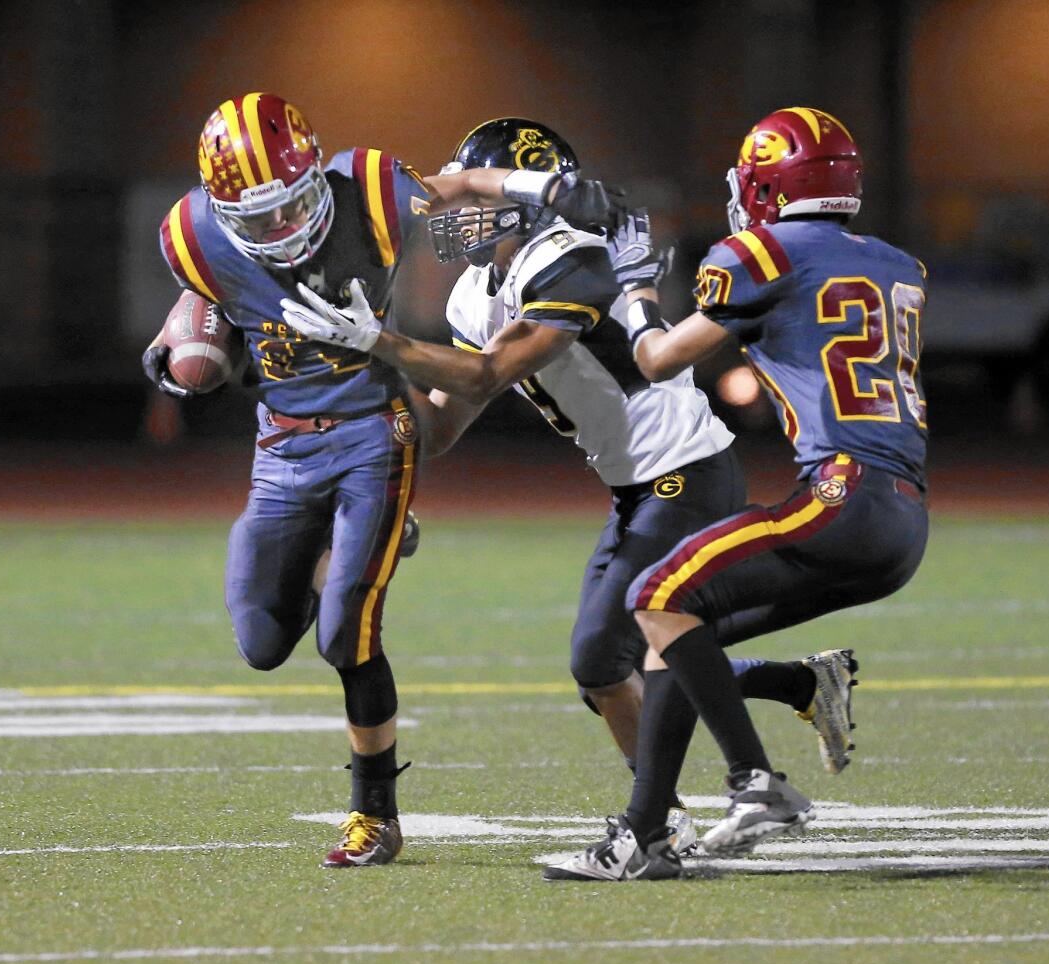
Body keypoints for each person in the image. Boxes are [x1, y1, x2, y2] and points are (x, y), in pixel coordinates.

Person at [278, 117, 856, 854]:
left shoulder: (571, 259)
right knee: (608, 668)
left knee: (600, 658)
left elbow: (487, 373)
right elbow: (441, 428)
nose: (460, 213)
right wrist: (368, 378)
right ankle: (789, 692)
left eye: (482, 193)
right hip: (639, 487)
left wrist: (383, 342)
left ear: (532, 202)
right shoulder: (472, 296)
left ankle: (685, 811)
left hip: (686, 473)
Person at [141, 93, 625, 869]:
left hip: (375, 433)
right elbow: (209, 312)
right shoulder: (191, 235)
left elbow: (463, 185)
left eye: (290, 206)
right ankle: (361, 542)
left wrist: (549, 191)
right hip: (281, 451)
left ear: (313, 177)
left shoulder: (364, 187)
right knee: (262, 641)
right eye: (255, 216)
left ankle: (375, 815)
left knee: (345, 635)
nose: (277, 229)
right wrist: (179, 359)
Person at [545, 106, 930, 880]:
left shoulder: (760, 249)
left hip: (839, 495)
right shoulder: (896, 262)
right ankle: (643, 837)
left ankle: (753, 782)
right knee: (677, 634)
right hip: (904, 516)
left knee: (654, 592)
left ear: (766, 186)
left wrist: (635, 286)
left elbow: (655, 360)